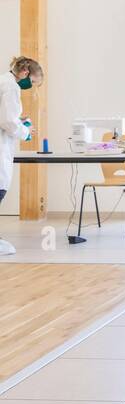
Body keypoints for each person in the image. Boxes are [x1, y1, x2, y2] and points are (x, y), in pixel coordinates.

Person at [0, 56, 44, 256]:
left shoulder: (4, 81)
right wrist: (25, 131)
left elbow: (7, 117)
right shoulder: (11, 87)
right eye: (33, 82)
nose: (31, 87)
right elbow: (8, 123)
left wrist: (19, 120)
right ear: (25, 73)